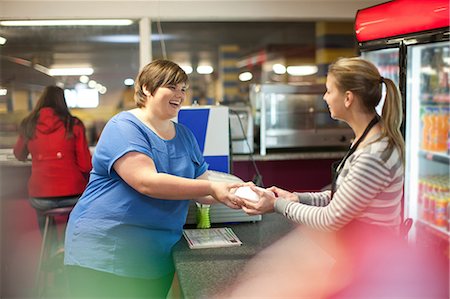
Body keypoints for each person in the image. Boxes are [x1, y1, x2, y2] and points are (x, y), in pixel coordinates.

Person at [64, 59, 243, 299]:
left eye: (183, 89)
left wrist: (240, 194)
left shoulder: (185, 135)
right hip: (106, 250)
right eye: (172, 87)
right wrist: (213, 186)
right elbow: (146, 182)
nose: (179, 95)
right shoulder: (124, 127)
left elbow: (202, 192)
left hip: (156, 255)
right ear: (147, 88)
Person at [235, 57, 407, 296]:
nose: (325, 98)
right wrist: (296, 198)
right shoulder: (367, 141)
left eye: (329, 91)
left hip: (372, 267)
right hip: (357, 259)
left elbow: (331, 219)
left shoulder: (373, 154)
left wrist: (277, 205)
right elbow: (341, 198)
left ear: (348, 98)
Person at [13, 85, 92, 236]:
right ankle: (70, 246)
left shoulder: (29, 124)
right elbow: (85, 165)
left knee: (43, 215)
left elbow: (19, 154)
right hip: (73, 195)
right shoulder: (73, 124)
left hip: (40, 196)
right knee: (81, 215)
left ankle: (49, 248)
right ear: (63, 101)